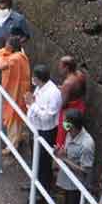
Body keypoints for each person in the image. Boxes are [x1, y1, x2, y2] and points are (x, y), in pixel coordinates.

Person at [0, 0, 31, 120]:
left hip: (12, 54)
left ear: (9, 7)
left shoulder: (18, 19)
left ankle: (10, 113)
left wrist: (16, 44)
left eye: (3, 7)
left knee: (12, 83)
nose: (0, 8)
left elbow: (26, 35)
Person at [54, 109, 95, 204]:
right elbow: (67, 152)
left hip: (77, 186)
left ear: (73, 125)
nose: (64, 124)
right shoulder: (70, 134)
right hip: (67, 180)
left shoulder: (87, 144)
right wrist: (62, 152)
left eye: (66, 122)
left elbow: (85, 170)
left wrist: (64, 158)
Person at [25, 64, 62, 192]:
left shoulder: (53, 94)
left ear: (38, 78)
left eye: (33, 77)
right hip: (35, 128)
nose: (32, 79)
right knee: (35, 158)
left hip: (46, 132)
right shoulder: (39, 88)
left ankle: (44, 189)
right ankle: (35, 183)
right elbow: (34, 106)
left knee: (44, 162)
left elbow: (47, 117)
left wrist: (32, 105)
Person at [55, 56, 87, 149]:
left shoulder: (67, 83)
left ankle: (61, 155)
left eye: (61, 66)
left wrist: (62, 92)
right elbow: (83, 92)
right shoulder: (80, 75)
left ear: (67, 67)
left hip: (68, 111)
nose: (59, 68)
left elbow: (63, 104)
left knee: (63, 136)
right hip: (79, 106)